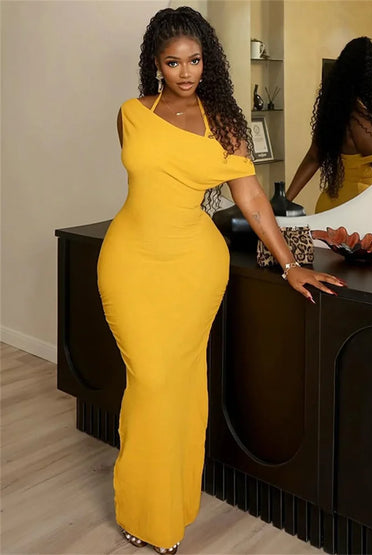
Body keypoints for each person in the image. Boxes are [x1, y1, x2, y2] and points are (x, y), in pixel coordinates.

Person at [97, 7, 345, 554]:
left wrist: (289, 264)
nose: (185, 72)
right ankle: (144, 503)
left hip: (193, 266)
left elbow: (251, 197)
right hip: (129, 260)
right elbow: (149, 182)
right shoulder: (131, 113)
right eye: (173, 62)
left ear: (206, 60)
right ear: (156, 64)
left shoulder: (226, 123)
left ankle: (170, 505)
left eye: (194, 60)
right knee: (151, 381)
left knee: (181, 384)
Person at [285, 36, 372, 213]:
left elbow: (314, 158)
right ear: (366, 77)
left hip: (332, 206)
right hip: (357, 211)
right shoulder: (363, 124)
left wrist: (286, 199)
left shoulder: (340, 113)